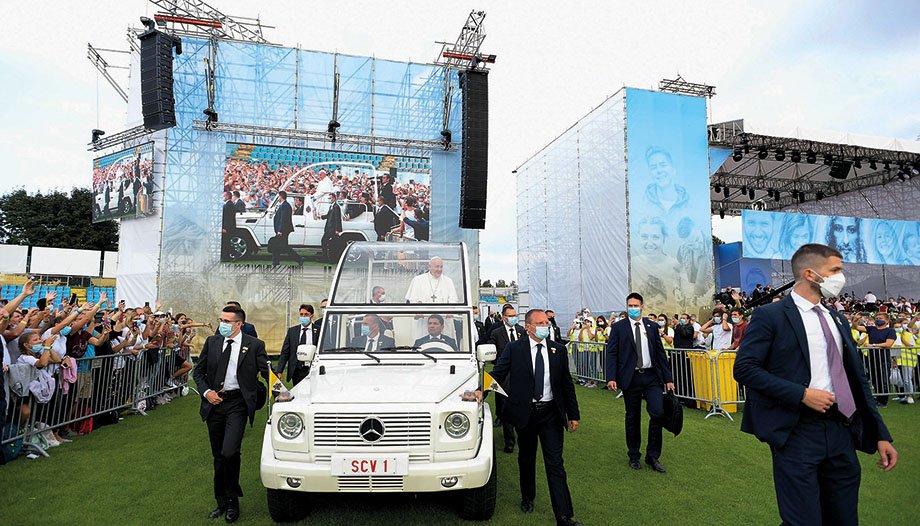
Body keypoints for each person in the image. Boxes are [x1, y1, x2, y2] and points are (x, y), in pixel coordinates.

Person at [733, 243, 897, 526]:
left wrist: (881, 433)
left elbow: (858, 379)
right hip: (795, 431)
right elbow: (745, 368)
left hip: (841, 430)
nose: (840, 277)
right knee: (803, 520)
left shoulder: (837, 319)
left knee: (844, 518)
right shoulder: (770, 315)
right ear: (810, 274)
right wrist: (801, 394)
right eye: (835, 270)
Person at [487, 309, 582, 526]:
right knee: (527, 458)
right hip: (526, 414)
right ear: (528, 327)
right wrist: (477, 391)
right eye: (540, 323)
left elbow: (566, 384)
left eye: (546, 323)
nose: (545, 326)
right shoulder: (514, 349)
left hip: (551, 415)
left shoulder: (557, 350)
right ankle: (527, 497)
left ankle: (564, 516)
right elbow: (498, 373)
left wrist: (573, 414)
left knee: (555, 463)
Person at [193, 305, 269, 523]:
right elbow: (198, 371)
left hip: (238, 404)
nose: (222, 324)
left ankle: (233, 500)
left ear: (239, 324)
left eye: (227, 321)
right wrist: (207, 392)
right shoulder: (212, 342)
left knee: (229, 452)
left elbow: (267, 373)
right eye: (221, 320)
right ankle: (221, 502)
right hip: (214, 404)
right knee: (218, 456)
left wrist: (283, 392)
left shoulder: (254, 345)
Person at [605, 292, 675, 473]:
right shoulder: (618, 328)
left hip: (652, 378)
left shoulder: (651, 327)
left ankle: (653, 456)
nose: (633, 309)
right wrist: (611, 377)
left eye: (636, 306)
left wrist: (668, 379)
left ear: (642, 307)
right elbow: (611, 353)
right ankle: (634, 454)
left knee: (658, 413)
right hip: (631, 378)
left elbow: (660, 354)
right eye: (630, 305)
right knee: (632, 417)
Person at [488, 304, 525, 453]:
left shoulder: (522, 331)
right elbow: (492, 352)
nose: (513, 318)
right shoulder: (496, 333)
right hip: (504, 377)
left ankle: (523, 437)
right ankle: (509, 441)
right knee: (506, 408)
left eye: (515, 315)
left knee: (522, 407)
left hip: (521, 375)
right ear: (504, 317)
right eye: (510, 316)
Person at [853, 313, 896, 407]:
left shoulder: (890, 331)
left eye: (880, 318)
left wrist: (873, 345)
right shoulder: (871, 329)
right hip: (872, 358)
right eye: (876, 318)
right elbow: (856, 327)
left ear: (887, 321)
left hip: (883, 358)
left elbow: (888, 344)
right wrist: (855, 319)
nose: (878, 319)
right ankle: (878, 397)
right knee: (875, 378)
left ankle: (883, 400)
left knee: (883, 378)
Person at [275, 304, 318, 386]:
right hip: (296, 370)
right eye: (301, 314)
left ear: (311, 315)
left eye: (306, 314)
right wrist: (279, 370)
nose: (303, 317)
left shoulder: (318, 330)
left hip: (312, 369)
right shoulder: (292, 331)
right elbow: (285, 352)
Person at [221, 191, 239, 261]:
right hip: (228, 227)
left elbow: (228, 218)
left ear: (228, 196)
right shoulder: (229, 204)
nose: (223, 197)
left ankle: (231, 255)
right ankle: (226, 256)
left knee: (226, 243)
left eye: (224, 196)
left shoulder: (229, 205)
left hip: (228, 228)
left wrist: (225, 228)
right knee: (226, 243)